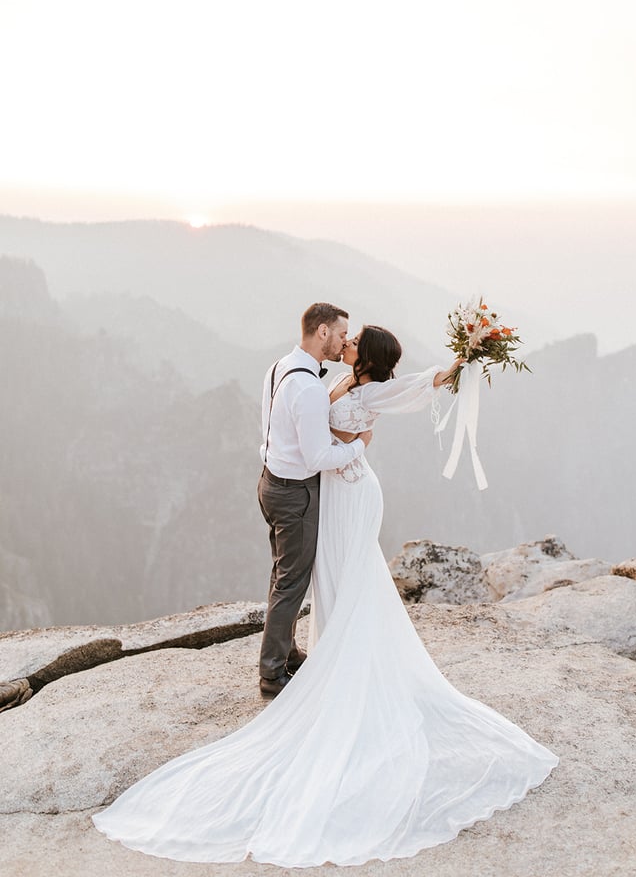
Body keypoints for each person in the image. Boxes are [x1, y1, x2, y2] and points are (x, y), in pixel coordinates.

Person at [93, 324, 558, 867]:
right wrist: (350, 440)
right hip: (331, 491)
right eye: (347, 334)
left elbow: (424, 382)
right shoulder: (336, 376)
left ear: (369, 354)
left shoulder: (374, 387)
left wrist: (466, 355)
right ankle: (328, 649)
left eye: (356, 338)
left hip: (353, 491)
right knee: (330, 577)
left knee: (348, 574)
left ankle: (340, 661)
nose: (349, 341)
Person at [256, 302, 372, 697]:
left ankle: (286, 653)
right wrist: (359, 446)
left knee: (282, 575)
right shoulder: (308, 388)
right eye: (342, 333)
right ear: (322, 332)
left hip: (270, 482)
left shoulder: (280, 367)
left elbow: (267, 426)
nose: (344, 342)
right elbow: (319, 457)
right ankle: (272, 674)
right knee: (292, 582)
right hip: (295, 494)